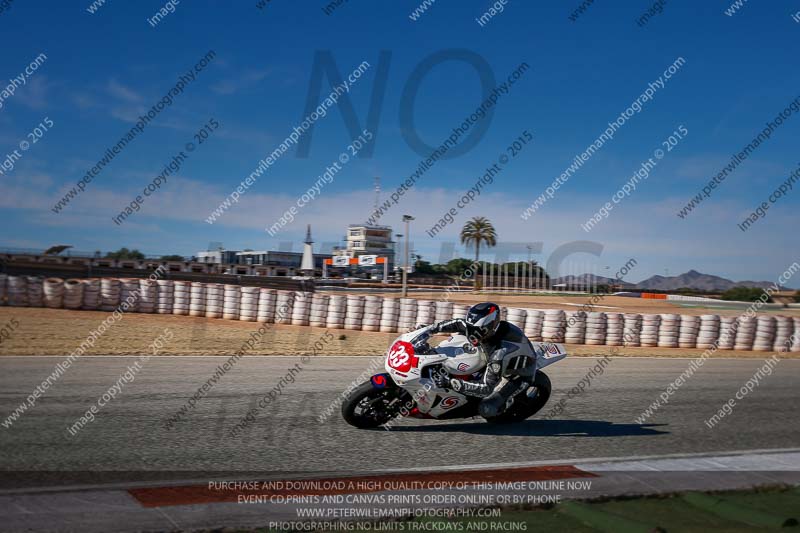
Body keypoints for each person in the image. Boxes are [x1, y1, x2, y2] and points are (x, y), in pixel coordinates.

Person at [424, 302, 535, 418]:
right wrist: (430, 330)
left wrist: (450, 382)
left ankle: (503, 407)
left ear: (490, 327)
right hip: (496, 359)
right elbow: (458, 323)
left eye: (476, 330)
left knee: (486, 409)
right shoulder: (480, 329)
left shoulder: (499, 353)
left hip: (518, 375)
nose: (471, 333)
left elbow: (486, 388)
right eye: (471, 328)